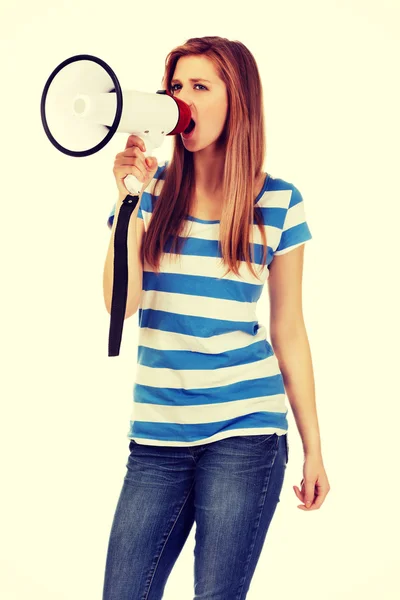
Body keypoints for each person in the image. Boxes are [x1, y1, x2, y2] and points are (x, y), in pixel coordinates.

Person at [102, 35, 330, 600]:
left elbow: (289, 330)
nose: (183, 99)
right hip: (156, 436)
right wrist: (127, 198)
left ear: (238, 103)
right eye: (176, 86)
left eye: (201, 87)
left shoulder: (278, 202)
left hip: (245, 433)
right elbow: (119, 304)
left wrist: (314, 448)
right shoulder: (147, 193)